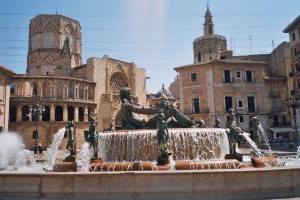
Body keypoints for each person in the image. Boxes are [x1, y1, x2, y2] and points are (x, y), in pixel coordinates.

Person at [119, 87, 197, 129]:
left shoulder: (123, 106)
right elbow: (142, 111)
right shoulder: (127, 105)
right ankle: (191, 124)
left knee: (171, 119)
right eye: (130, 94)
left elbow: (125, 122)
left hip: (144, 123)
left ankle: (188, 125)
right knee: (171, 109)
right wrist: (158, 110)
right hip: (145, 124)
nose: (131, 96)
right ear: (125, 95)